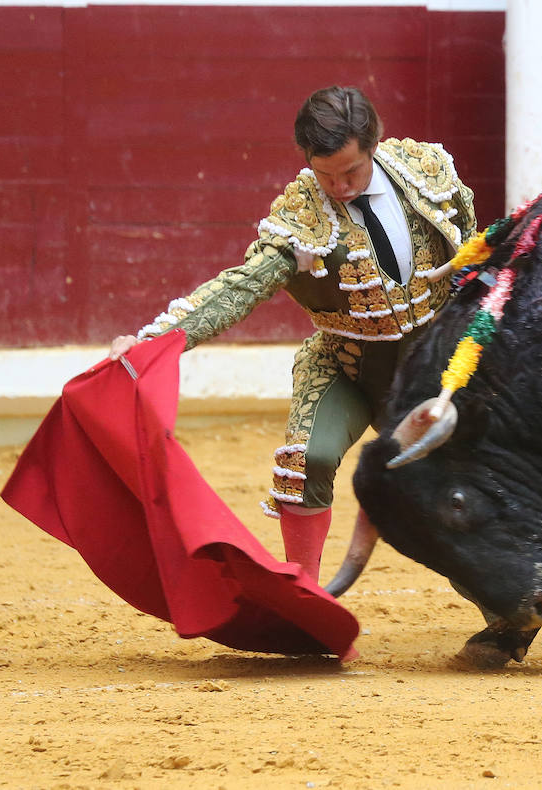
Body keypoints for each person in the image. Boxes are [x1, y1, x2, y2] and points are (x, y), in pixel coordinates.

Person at [109, 86, 477, 582]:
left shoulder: (426, 172)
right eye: (326, 175)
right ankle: (304, 599)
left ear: (374, 145)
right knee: (307, 460)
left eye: (351, 172)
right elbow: (239, 288)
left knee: (473, 477)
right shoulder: (300, 216)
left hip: (432, 366)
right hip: (347, 365)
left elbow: (473, 252)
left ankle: (500, 611)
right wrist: (154, 339)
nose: (340, 187)